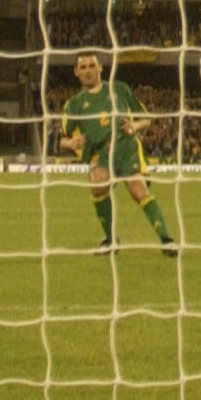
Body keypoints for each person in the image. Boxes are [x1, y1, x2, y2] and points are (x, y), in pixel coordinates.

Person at [58, 51, 174, 255]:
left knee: (137, 188)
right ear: (76, 72)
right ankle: (111, 241)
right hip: (100, 154)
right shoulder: (74, 105)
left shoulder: (119, 89)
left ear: (100, 68)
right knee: (97, 182)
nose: (88, 71)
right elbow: (62, 140)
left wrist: (134, 126)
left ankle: (166, 240)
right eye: (83, 67)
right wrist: (72, 143)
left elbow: (146, 119)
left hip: (125, 146)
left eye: (92, 66)